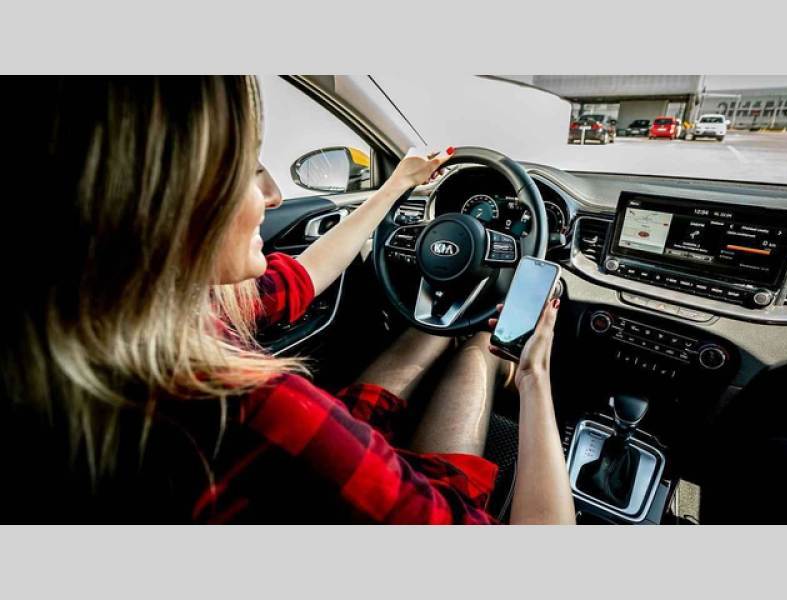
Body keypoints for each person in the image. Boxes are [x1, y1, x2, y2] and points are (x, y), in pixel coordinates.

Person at [1, 76, 574, 524]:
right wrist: (533, 374)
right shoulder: (249, 412)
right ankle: (483, 352)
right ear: (163, 202)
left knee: (430, 329)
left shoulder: (156, 313)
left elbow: (301, 277)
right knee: (477, 349)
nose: (274, 195)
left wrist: (395, 186)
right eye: (247, 170)